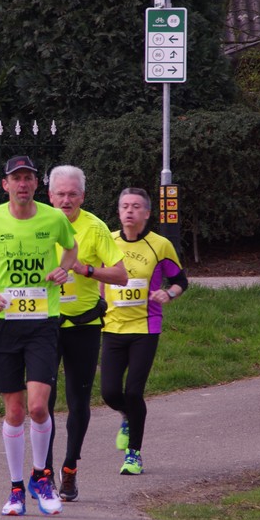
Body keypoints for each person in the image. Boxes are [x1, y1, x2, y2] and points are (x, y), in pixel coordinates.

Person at [0, 155, 78, 516]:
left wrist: (63, 269)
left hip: (43, 322)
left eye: (29, 178)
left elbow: (71, 248)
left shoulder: (54, 218)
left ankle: (41, 478)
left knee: (38, 407)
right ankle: (16, 489)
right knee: (14, 412)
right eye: (17, 178)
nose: (23, 184)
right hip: (5, 322)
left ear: (36, 184)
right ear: (6, 185)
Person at [44, 165, 127, 501]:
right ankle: (44, 471)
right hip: (44, 326)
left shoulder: (95, 227)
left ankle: (69, 469)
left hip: (84, 326)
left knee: (78, 401)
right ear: (49, 196)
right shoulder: (39, 224)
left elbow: (121, 275)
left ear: (83, 196)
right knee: (42, 404)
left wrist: (85, 269)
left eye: (72, 194)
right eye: (60, 194)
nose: (66, 200)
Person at [101, 187, 187, 476]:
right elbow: (100, 276)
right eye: (125, 206)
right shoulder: (108, 241)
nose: (130, 211)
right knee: (110, 392)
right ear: (118, 212)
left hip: (145, 329)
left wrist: (169, 294)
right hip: (112, 326)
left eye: (136, 206)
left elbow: (181, 281)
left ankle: (134, 454)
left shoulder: (160, 245)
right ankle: (126, 414)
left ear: (147, 213)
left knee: (134, 391)